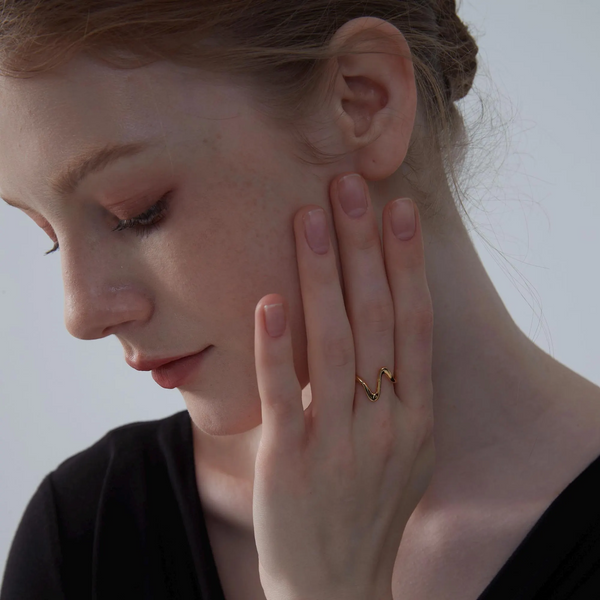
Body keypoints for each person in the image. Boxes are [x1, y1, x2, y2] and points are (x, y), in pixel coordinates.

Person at [1, 1, 599, 599]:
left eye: (136, 211)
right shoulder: (86, 533)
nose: (81, 314)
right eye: (49, 237)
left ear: (363, 99)